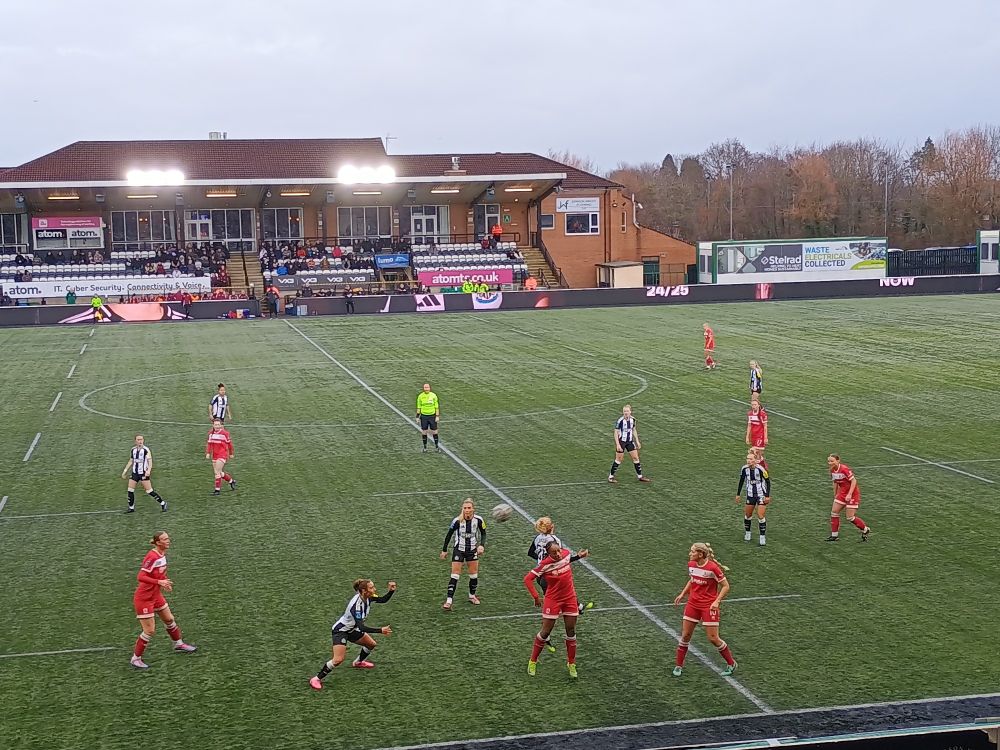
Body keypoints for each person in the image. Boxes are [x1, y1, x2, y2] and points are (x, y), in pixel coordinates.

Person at [309, 579, 396, 690]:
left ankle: (358, 662)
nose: (374, 589)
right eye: (371, 588)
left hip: (352, 629)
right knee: (338, 659)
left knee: (371, 644)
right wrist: (380, 630)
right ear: (364, 591)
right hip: (341, 631)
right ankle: (316, 679)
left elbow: (382, 600)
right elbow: (362, 628)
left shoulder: (368, 597)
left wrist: (391, 591)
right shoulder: (356, 607)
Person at [523, 539, 590, 678]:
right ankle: (533, 661)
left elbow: (567, 560)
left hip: (570, 598)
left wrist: (579, 556)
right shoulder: (545, 564)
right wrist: (536, 597)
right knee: (545, 632)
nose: (558, 554)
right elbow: (527, 579)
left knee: (571, 631)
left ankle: (571, 663)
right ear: (548, 554)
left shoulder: (565, 554)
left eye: (559, 550)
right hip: (553, 600)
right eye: (554, 553)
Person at [130, 531, 197, 669]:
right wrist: (159, 582)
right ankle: (135, 659)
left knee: (169, 619)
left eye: (168, 538)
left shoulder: (162, 555)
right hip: (144, 598)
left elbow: (159, 574)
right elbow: (140, 576)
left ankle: (178, 644)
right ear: (158, 542)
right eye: (165, 539)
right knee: (149, 630)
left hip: (155, 595)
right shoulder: (152, 556)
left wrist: (164, 582)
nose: (168, 541)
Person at [672, 542, 737, 677]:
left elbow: (725, 586)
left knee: (713, 638)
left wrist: (717, 601)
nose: (690, 554)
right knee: (685, 635)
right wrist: (683, 594)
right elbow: (692, 580)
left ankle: (731, 663)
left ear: (700, 554)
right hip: (693, 604)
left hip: (708, 606)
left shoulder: (712, 568)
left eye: (692, 552)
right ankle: (678, 666)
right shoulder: (691, 565)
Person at [529, 517, 593, 618]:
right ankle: (574, 609)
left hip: (540, 576)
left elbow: (530, 553)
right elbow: (562, 560)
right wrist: (578, 556)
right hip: (551, 575)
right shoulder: (554, 540)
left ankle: (578, 607)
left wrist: (542, 562)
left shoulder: (537, 538)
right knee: (566, 593)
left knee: (552, 599)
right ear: (551, 527)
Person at [440, 499, 486, 610]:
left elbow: (483, 533)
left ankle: (472, 596)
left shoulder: (479, 520)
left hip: (472, 550)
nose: (467, 510)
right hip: (459, 550)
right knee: (455, 575)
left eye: (469, 508)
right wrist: (444, 550)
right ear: (462, 509)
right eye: (465, 508)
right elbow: (448, 535)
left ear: (473, 509)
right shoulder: (457, 521)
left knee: (473, 575)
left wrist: (481, 545)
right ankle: (449, 601)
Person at [827, 455, 870, 542]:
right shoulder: (832, 470)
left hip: (852, 494)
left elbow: (854, 481)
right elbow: (835, 482)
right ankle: (834, 536)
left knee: (850, 517)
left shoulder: (844, 469)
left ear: (838, 461)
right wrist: (835, 494)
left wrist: (850, 494)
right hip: (842, 493)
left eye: (832, 461)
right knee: (834, 512)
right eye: (829, 461)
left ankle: (865, 529)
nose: (830, 463)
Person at [121, 435, 167, 513]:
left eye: (141, 439)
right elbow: (131, 460)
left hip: (143, 474)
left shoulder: (146, 450)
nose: (140, 441)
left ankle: (163, 503)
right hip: (135, 473)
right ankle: (131, 508)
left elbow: (150, 462)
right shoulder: (133, 450)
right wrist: (125, 471)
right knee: (130, 490)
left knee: (149, 491)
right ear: (135, 441)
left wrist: (148, 471)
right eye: (138, 440)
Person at [608, 404, 652, 483]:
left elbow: (634, 430)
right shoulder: (620, 421)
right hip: (622, 442)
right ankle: (610, 477)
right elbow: (615, 432)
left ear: (630, 412)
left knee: (636, 458)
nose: (626, 413)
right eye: (624, 411)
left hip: (630, 441)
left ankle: (640, 476)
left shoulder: (633, 420)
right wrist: (618, 444)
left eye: (627, 411)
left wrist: (637, 441)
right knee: (618, 459)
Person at [736, 452, 770, 545]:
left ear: (755, 460)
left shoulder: (761, 469)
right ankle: (748, 533)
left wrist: (767, 496)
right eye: (747, 458)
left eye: (751, 459)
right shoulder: (744, 469)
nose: (748, 460)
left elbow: (768, 481)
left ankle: (762, 537)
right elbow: (741, 481)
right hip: (750, 494)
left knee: (760, 515)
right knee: (748, 515)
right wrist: (738, 494)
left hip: (761, 494)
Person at [205, 418, 236, 495]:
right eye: (215, 425)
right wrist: (208, 453)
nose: (217, 426)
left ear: (221, 425)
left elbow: (230, 444)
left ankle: (217, 490)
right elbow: (209, 444)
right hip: (214, 455)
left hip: (222, 454)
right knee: (219, 472)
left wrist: (231, 453)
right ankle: (231, 481)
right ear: (213, 425)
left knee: (217, 473)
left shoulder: (225, 433)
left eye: (218, 425)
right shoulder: (210, 433)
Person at [416, 382, 440, 452]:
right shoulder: (420, 396)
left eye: (427, 387)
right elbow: (419, 407)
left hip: (432, 416)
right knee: (424, 431)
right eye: (425, 387)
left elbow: (436, 407)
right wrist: (417, 417)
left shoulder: (433, 395)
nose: (426, 389)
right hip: (424, 416)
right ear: (423, 388)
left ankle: (437, 447)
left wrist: (437, 416)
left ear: (430, 388)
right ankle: (425, 447)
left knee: (435, 431)